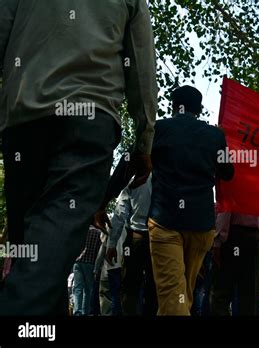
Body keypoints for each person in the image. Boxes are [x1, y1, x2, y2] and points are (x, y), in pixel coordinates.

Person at [0, 0, 157, 315]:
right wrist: (144, 140)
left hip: (23, 118)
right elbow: (141, 66)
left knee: (32, 243)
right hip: (89, 116)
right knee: (54, 233)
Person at [148, 86, 235, 315]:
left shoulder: (159, 129)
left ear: (173, 106)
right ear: (199, 109)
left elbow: (130, 163)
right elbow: (228, 173)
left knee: (172, 294)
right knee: (181, 293)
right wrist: (221, 140)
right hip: (201, 226)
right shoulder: (215, 135)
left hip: (164, 221)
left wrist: (103, 199)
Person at [104, 175, 157, 316]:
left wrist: (112, 244)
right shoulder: (167, 174)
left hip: (136, 238)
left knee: (129, 287)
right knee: (155, 288)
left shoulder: (134, 180)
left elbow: (120, 213)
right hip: (159, 239)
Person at [210, 213, 259, 316]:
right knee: (251, 299)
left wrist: (217, 242)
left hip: (233, 237)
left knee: (221, 296)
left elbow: (226, 209)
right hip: (254, 241)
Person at [72, 225, 102, 316]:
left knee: (78, 288)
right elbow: (99, 251)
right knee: (88, 290)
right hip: (90, 263)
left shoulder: (82, 231)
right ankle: (86, 311)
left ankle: (77, 312)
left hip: (78, 262)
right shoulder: (98, 233)